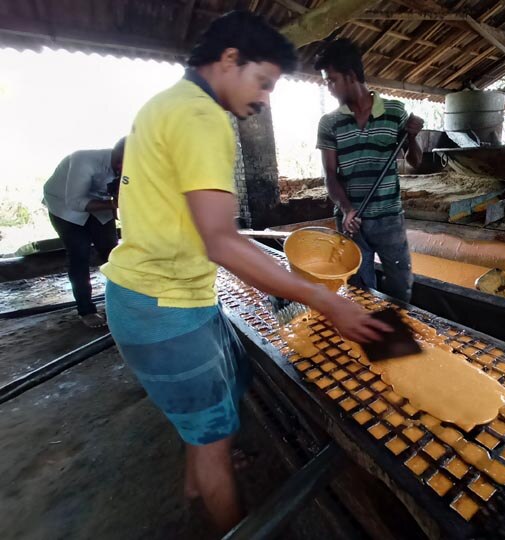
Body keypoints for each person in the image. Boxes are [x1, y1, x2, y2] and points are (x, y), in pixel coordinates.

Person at [101, 11, 390, 534]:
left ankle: (203, 470)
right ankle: (222, 500)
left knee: (223, 400)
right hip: (163, 309)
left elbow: (201, 231)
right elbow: (221, 240)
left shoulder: (168, 103)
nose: (264, 98)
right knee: (211, 433)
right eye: (263, 81)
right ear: (230, 60)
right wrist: (326, 299)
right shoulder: (200, 116)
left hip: (161, 296)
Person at [315, 39, 425, 303]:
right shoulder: (329, 123)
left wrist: (412, 137)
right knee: (360, 291)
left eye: (331, 80)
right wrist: (346, 209)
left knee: (401, 286)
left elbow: (416, 162)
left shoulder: (395, 112)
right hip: (353, 222)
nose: (328, 87)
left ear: (351, 76)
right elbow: (330, 175)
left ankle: (402, 332)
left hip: (389, 219)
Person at [42, 138, 125, 327]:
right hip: (65, 206)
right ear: (120, 164)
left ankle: (123, 303)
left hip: (100, 204)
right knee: (79, 253)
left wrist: (117, 207)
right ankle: (86, 310)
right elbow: (76, 202)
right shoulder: (83, 160)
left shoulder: (129, 165)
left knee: (113, 253)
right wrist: (114, 204)